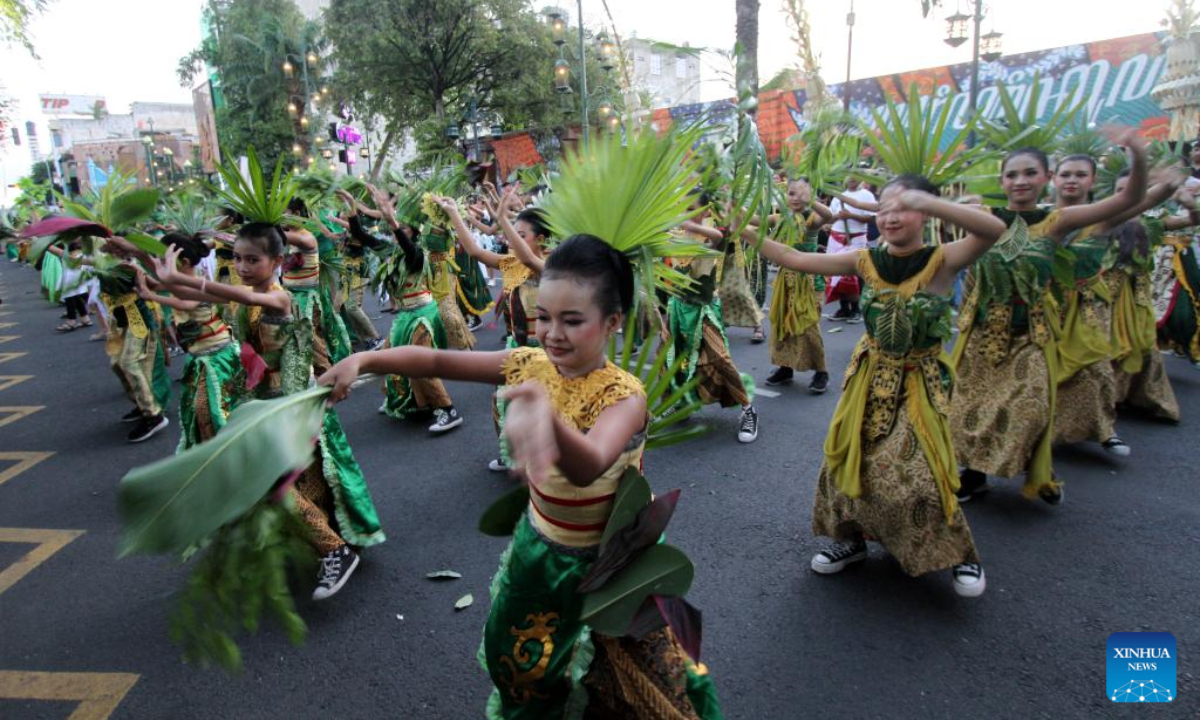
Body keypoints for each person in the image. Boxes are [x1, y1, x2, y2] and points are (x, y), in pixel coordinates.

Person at [319, 234, 721, 719]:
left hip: (610, 569)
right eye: (544, 317)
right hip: (541, 554)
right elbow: (433, 360)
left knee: (651, 686)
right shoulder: (530, 364)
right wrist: (364, 360)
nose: (551, 333)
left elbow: (591, 461)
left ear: (612, 321)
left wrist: (545, 417)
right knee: (527, 671)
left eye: (572, 320)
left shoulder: (624, 396)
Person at [744, 174, 1007, 596]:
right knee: (849, 461)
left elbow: (993, 230)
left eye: (903, 207)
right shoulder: (864, 259)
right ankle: (850, 540)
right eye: (883, 208)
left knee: (921, 471)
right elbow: (795, 258)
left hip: (920, 383)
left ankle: (959, 553)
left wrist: (928, 199)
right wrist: (743, 232)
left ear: (927, 211)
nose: (890, 217)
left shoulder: (943, 259)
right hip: (868, 380)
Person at [151, 222, 385, 600]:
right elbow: (203, 297)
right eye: (237, 259)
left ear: (278, 261)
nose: (242, 267)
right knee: (304, 480)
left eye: (252, 259)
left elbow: (231, 296)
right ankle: (329, 538)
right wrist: (152, 268)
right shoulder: (246, 292)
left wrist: (186, 281)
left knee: (272, 483)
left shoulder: (279, 298)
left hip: (291, 404)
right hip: (266, 404)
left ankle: (334, 550)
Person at [952, 136, 1147, 506]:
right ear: (1002, 180)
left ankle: (1037, 468)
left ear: (1047, 177)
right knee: (971, 409)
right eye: (1012, 174)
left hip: (1032, 335)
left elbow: (1129, 200)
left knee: (1028, 408)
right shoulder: (986, 219)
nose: (1020, 181)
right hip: (983, 333)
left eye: (1030, 173)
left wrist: (1136, 151)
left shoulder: (1056, 222)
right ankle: (974, 476)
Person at [125, 232, 246, 450]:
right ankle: (217, 451)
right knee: (204, 410)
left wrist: (151, 296)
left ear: (184, 262)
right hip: (201, 355)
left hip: (216, 355)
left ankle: (228, 450)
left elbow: (187, 304)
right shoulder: (183, 280)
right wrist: (138, 265)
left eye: (165, 259)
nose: (162, 264)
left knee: (215, 409)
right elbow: (157, 283)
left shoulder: (197, 281)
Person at [669, 194, 760, 443]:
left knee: (720, 358)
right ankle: (680, 405)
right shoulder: (673, 236)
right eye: (682, 208)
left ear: (705, 210)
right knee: (672, 360)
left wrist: (685, 222)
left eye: (691, 209)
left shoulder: (710, 233)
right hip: (677, 308)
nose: (686, 213)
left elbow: (718, 239)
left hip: (703, 310)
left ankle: (748, 409)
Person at [764, 178, 833, 392]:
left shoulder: (811, 218)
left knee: (808, 325)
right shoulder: (780, 218)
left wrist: (810, 201)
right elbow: (755, 220)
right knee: (783, 324)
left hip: (810, 279)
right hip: (786, 280)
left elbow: (829, 216)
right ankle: (785, 368)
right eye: (791, 193)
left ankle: (821, 372)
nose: (795, 198)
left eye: (801, 194)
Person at [825, 177, 877, 322]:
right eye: (848, 176)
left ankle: (856, 309)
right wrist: (830, 222)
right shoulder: (839, 197)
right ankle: (844, 308)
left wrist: (851, 215)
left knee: (853, 273)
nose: (851, 180)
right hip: (836, 238)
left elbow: (871, 218)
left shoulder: (866, 195)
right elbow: (830, 216)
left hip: (855, 238)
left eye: (854, 176)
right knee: (836, 273)